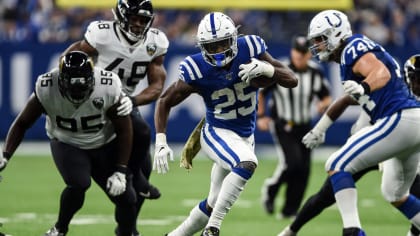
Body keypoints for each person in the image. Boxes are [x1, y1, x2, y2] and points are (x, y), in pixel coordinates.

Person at [153, 12, 298, 236]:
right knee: (247, 162)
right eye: (212, 46)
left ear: (233, 38)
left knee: (213, 201)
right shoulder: (197, 67)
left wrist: (268, 69)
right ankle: (213, 229)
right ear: (202, 46)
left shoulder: (250, 47)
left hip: (244, 136)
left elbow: (291, 79)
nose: (219, 50)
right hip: (217, 131)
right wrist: (161, 140)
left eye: (222, 43)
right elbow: (165, 100)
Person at [303, 9, 420, 236]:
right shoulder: (350, 54)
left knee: (337, 164)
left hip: (399, 117)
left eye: (320, 39)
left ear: (336, 34)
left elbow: (381, 73)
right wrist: (320, 128)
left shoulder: (352, 47)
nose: (317, 45)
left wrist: (364, 86)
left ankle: (353, 231)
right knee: (394, 193)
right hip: (413, 121)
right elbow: (345, 100)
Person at [277, 54, 420, 236]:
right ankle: (291, 229)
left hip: (399, 149)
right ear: (407, 77)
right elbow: (345, 100)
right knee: (326, 194)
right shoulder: (392, 89)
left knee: (406, 193)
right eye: (416, 79)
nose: (418, 85)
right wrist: (320, 129)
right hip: (367, 146)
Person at [0, 51, 137, 236]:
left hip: (104, 143)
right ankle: (59, 229)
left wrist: (120, 170)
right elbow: (22, 122)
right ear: (61, 79)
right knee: (79, 183)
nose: (78, 90)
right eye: (73, 85)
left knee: (127, 198)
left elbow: (125, 129)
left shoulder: (108, 85)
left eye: (82, 84)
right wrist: (5, 155)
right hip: (67, 142)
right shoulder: (47, 86)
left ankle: (127, 233)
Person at [62, 0, 169, 234]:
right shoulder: (101, 34)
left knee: (145, 165)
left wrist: (133, 101)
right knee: (141, 132)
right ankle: (132, 184)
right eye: (134, 18)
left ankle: (128, 226)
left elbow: (157, 84)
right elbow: (69, 61)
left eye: (144, 20)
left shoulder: (155, 42)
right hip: (96, 100)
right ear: (121, 16)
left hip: (124, 100)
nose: (139, 24)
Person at [258, 34, 332, 218]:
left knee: (304, 170)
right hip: (283, 123)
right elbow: (261, 92)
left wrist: (323, 104)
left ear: (309, 54)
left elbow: (326, 95)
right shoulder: (280, 70)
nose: (299, 56)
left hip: (304, 125)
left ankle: (289, 211)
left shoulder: (315, 72)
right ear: (292, 51)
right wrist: (261, 116)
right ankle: (271, 189)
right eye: (297, 52)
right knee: (292, 164)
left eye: (303, 53)